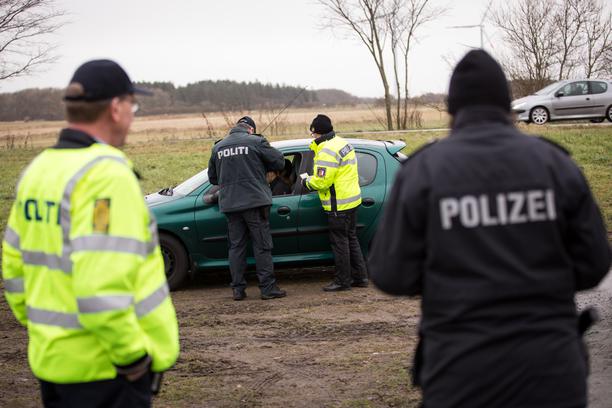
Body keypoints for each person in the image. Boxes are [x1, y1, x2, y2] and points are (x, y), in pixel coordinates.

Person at [368, 49, 611, 408]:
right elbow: (595, 264)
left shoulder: (423, 171)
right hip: (551, 371)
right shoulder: (554, 164)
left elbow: (390, 274)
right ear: (507, 104)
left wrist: (446, 275)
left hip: (461, 374)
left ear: (452, 109)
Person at [1, 60, 180, 408]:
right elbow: (101, 287)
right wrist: (133, 359)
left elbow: (14, 267)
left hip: (54, 363)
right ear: (115, 108)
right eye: (132, 105)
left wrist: (49, 330)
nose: (132, 116)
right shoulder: (106, 177)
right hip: (106, 371)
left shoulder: (38, 171)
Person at [208, 116, 287, 301]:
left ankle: (238, 290)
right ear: (251, 129)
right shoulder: (256, 142)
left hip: (230, 205)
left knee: (236, 247)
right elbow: (280, 162)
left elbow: (213, 178)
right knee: (262, 246)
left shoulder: (218, 147)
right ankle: (267, 289)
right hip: (255, 203)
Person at [303, 114, 368, 291]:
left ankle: (342, 281)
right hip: (352, 201)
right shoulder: (342, 143)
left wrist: (306, 181)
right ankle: (360, 277)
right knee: (351, 239)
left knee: (340, 244)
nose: (312, 136)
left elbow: (322, 182)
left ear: (317, 132)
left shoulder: (326, 151)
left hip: (338, 205)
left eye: (312, 133)